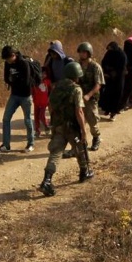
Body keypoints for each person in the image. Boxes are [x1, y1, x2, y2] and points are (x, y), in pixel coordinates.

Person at [38, 62, 94, 197]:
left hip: (58, 125)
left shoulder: (56, 87)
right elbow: (79, 111)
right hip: (72, 127)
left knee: (55, 153)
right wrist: (83, 130)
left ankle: (47, 180)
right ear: (76, 75)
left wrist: (54, 120)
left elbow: (50, 106)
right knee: (80, 147)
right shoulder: (76, 89)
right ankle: (84, 172)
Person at [0, 46, 35, 153]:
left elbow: (26, 82)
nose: (7, 61)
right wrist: (14, 81)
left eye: (8, 58)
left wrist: (13, 80)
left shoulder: (24, 63)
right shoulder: (7, 63)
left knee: (27, 120)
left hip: (25, 96)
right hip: (14, 95)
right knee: (6, 119)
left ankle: (30, 144)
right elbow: (6, 78)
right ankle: (6, 144)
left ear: (13, 55)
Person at [76, 42, 104, 150]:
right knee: (79, 122)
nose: (81, 54)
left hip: (91, 98)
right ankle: (81, 143)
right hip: (79, 98)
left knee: (93, 121)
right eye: (80, 52)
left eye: (84, 52)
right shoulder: (77, 65)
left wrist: (88, 95)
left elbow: (98, 84)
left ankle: (96, 138)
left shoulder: (95, 67)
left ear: (89, 53)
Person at [100, 42, 127, 117]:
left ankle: (114, 112)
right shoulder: (109, 53)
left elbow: (122, 67)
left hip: (118, 78)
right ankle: (107, 109)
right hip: (109, 77)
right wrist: (106, 72)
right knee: (108, 93)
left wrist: (114, 73)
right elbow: (104, 62)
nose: (110, 50)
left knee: (117, 94)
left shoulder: (121, 55)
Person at [32, 68, 51, 138]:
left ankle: (46, 126)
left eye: (44, 73)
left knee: (41, 115)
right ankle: (37, 131)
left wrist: (49, 98)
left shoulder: (47, 81)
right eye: (41, 73)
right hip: (36, 102)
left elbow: (51, 90)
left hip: (44, 102)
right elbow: (32, 91)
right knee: (36, 117)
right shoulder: (34, 82)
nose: (42, 75)